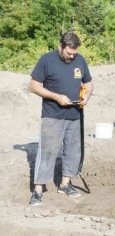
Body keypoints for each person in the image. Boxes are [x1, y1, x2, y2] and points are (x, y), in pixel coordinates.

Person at [29, 32, 94, 205]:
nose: (71, 56)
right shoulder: (47, 60)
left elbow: (88, 83)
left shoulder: (80, 60)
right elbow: (34, 86)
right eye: (68, 53)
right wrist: (56, 97)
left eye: (74, 53)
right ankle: (38, 190)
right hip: (52, 116)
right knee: (47, 152)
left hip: (75, 115)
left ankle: (65, 185)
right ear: (60, 46)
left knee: (73, 151)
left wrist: (87, 96)